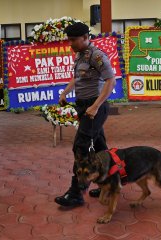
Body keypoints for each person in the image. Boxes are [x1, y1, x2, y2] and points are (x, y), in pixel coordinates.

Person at [54, 22, 116, 207]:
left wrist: (96, 106)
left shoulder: (97, 56)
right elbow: (77, 77)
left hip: (94, 108)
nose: (70, 43)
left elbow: (110, 80)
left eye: (73, 40)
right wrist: (65, 92)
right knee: (100, 147)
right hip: (84, 107)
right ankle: (108, 184)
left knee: (80, 147)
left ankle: (76, 193)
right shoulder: (80, 54)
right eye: (69, 40)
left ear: (85, 38)